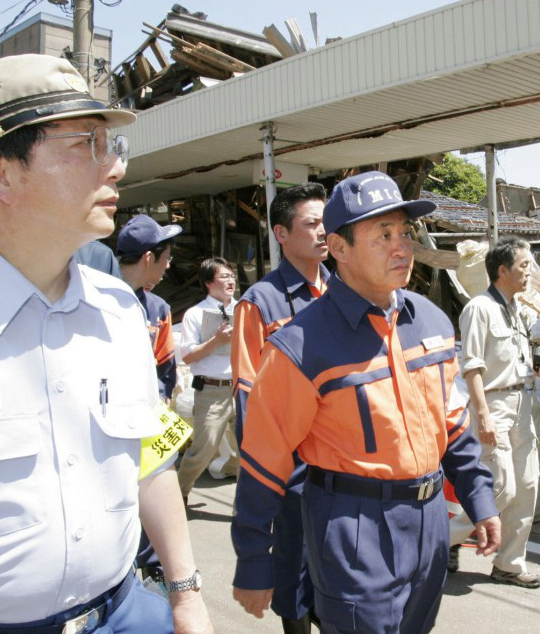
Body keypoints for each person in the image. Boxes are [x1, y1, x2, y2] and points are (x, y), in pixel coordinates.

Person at [0, 54, 211, 632]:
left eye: (112, 146)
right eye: (86, 144)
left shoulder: (116, 310)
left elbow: (152, 457)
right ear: (0, 174)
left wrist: (185, 595)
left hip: (126, 611)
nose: (113, 167)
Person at [232, 171, 501, 633]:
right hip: (353, 527)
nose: (402, 248)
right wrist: (256, 560)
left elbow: (452, 423)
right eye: (382, 235)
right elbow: (263, 458)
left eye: (404, 233)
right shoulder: (300, 345)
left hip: (431, 518)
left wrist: (479, 495)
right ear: (338, 248)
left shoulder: (432, 322)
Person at [230, 182, 330, 633]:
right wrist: (271, 478)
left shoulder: (342, 293)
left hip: (340, 468)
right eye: (311, 224)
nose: (323, 232)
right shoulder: (259, 303)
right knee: (294, 574)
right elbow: (249, 397)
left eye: (326, 222)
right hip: (292, 474)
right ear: (281, 233)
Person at [447, 236, 540, 587]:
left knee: (526, 487)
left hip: (523, 403)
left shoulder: (517, 310)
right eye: (524, 266)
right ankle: (437, 541)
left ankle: (509, 564)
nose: (530, 273)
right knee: (500, 488)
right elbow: (472, 367)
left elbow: (518, 360)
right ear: (502, 270)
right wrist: (482, 415)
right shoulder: (479, 308)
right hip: (492, 405)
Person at [177, 257, 240, 503]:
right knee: (203, 450)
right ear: (207, 283)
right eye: (224, 276)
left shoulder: (244, 308)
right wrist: (216, 341)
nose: (231, 280)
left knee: (248, 450)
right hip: (211, 390)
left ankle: (245, 505)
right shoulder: (195, 314)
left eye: (231, 275)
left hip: (240, 387)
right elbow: (188, 355)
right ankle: (179, 494)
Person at [118, 214, 182, 400]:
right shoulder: (95, 297)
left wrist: (161, 399)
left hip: (146, 412)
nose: (168, 265)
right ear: (148, 258)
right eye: (167, 258)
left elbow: (165, 367)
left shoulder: (159, 309)